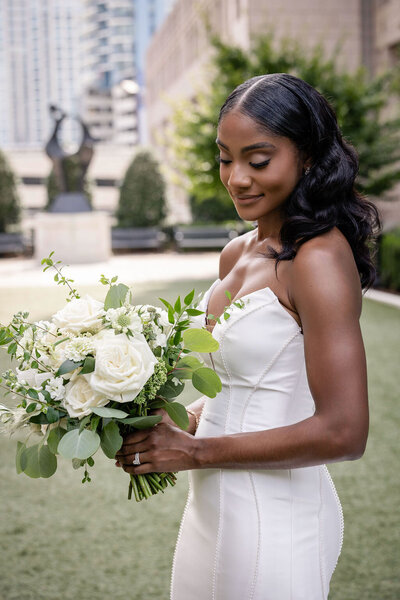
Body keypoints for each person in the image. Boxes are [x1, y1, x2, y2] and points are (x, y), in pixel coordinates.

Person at [115, 73, 381, 599]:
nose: (236, 178)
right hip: (213, 507)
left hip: (274, 513)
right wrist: (173, 419)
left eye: (258, 160)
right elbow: (247, 380)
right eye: (224, 158)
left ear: (306, 157)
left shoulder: (319, 259)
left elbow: (344, 432)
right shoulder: (237, 253)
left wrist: (195, 450)